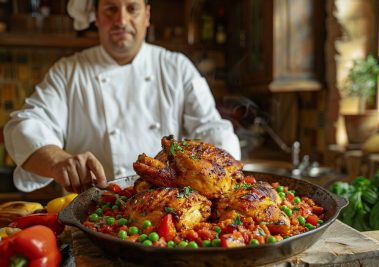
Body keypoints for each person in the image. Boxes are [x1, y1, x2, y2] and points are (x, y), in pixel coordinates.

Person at [3, 0, 240, 194]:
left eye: (132, 8)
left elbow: (212, 128)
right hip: (91, 214)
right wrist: (57, 161)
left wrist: (228, 180)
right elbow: (26, 125)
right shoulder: (68, 71)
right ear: (96, 16)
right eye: (110, 9)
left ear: (146, 15)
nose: (121, 20)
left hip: (168, 213)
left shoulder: (176, 68)